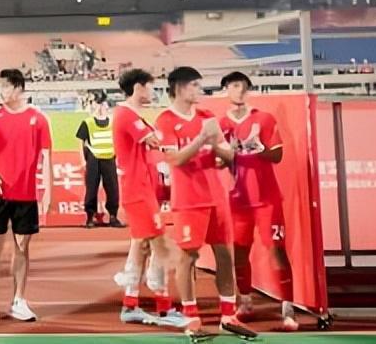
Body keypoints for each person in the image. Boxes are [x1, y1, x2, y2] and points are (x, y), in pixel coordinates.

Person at [155, 67, 251, 338]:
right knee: (188, 257)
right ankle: (191, 318)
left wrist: (218, 146)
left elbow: (229, 155)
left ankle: (228, 316)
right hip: (189, 200)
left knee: (225, 255)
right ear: (180, 87)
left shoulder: (207, 117)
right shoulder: (166, 121)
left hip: (217, 196)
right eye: (195, 85)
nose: (200, 90)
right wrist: (201, 139)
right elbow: (175, 159)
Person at [0, 69, 53, 324]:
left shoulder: (38, 119)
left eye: (5, 87)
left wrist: (48, 192)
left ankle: (19, 300)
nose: (1, 92)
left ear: (18, 88)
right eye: (0, 87)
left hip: (25, 194)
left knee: (22, 247)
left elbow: (47, 157)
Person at [219, 71, 298, 331]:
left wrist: (260, 148)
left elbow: (277, 156)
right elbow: (218, 162)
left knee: (277, 250)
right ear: (226, 91)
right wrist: (227, 154)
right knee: (239, 252)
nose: (239, 91)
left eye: (243, 86)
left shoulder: (264, 119)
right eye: (233, 86)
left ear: (249, 90)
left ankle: (288, 308)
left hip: (267, 199)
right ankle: (246, 302)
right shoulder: (221, 124)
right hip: (238, 200)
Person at [111, 69, 186, 328]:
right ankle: (164, 307)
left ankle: (130, 303)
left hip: (142, 188)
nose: (153, 92)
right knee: (160, 247)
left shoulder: (133, 116)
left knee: (141, 245)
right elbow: (155, 141)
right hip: (137, 190)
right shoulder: (126, 115)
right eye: (150, 87)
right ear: (138, 87)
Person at [77, 91, 123, 228]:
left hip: (109, 157)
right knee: (91, 188)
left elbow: (118, 139)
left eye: (99, 103)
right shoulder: (88, 122)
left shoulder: (113, 121)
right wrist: (82, 160)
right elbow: (80, 141)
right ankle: (90, 216)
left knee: (112, 188)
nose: (98, 106)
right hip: (93, 158)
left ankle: (113, 216)